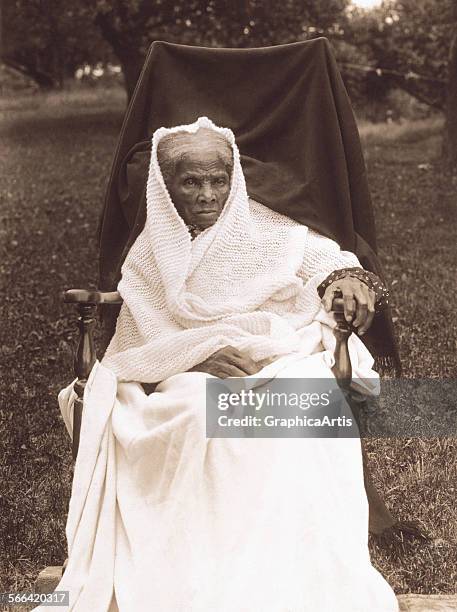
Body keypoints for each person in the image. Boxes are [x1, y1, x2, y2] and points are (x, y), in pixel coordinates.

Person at [39, 117, 399, 612]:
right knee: (191, 413)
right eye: (191, 181)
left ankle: (286, 565)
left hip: (277, 352)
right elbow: (140, 342)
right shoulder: (151, 251)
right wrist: (196, 356)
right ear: (167, 188)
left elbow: (325, 259)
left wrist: (348, 278)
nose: (208, 194)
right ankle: (200, 566)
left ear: (234, 180)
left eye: (219, 179)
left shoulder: (264, 224)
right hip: (186, 372)